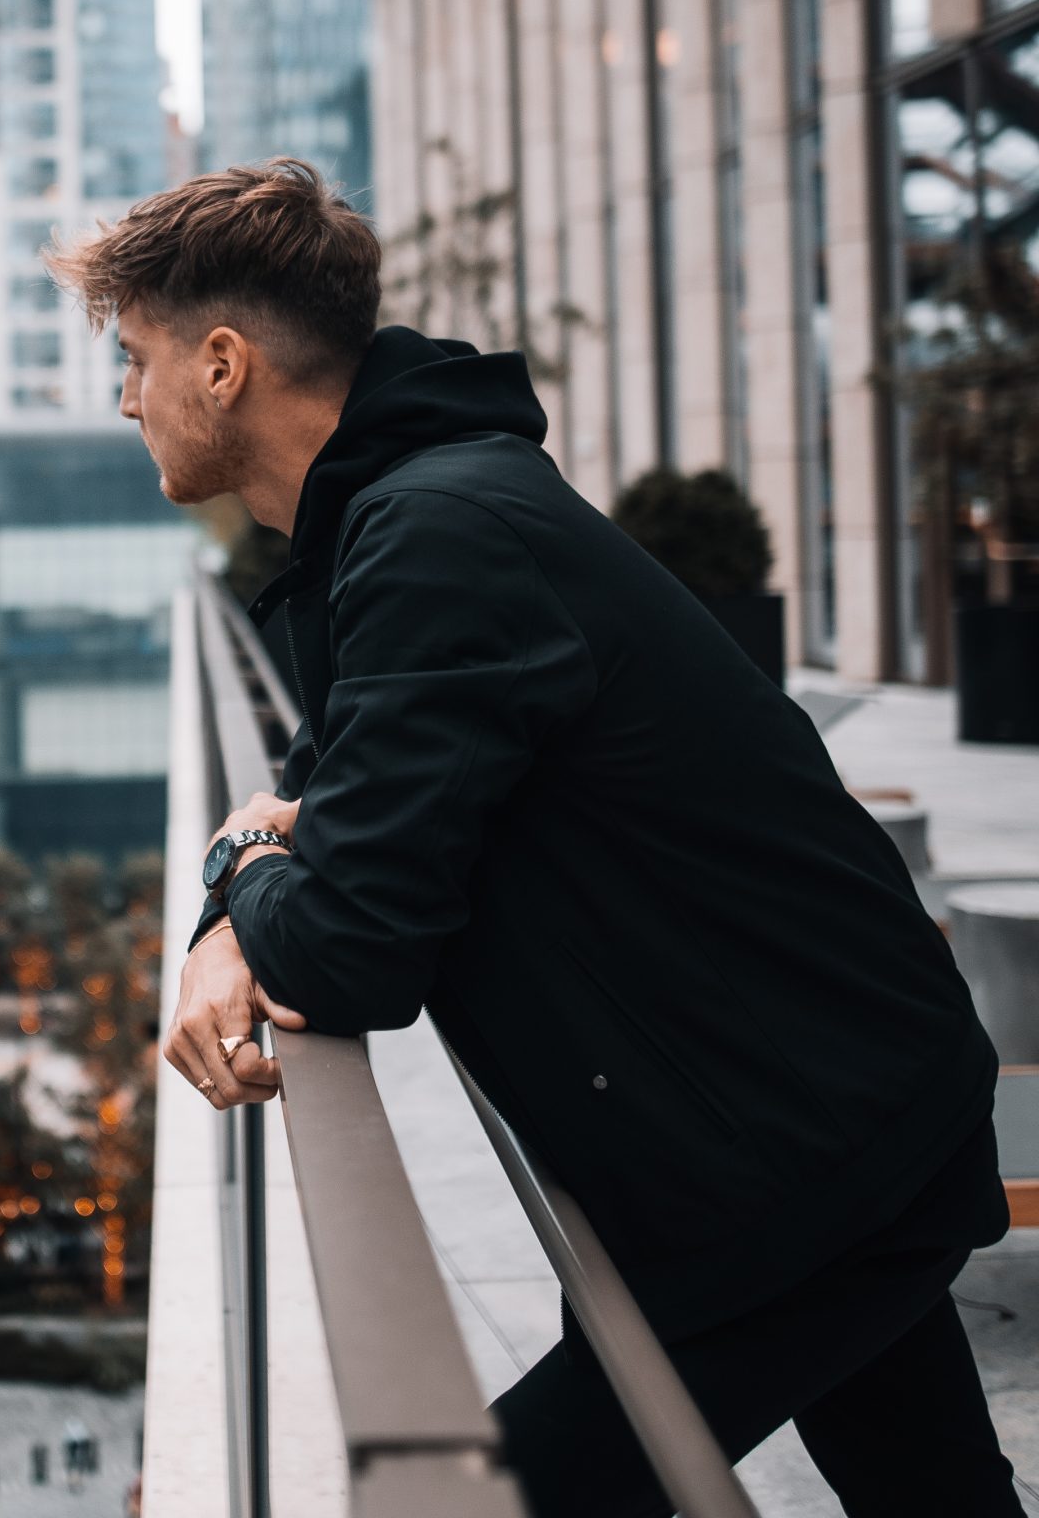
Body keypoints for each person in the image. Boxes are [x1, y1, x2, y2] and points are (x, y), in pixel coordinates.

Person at [49, 159, 1018, 1516]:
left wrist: (241, 880)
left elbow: (351, 949)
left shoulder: (433, 533)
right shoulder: (417, 511)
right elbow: (341, 781)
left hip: (798, 1164)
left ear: (221, 365)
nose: (125, 398)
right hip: (798, 1122)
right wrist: (243, 897)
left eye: (135, 359)